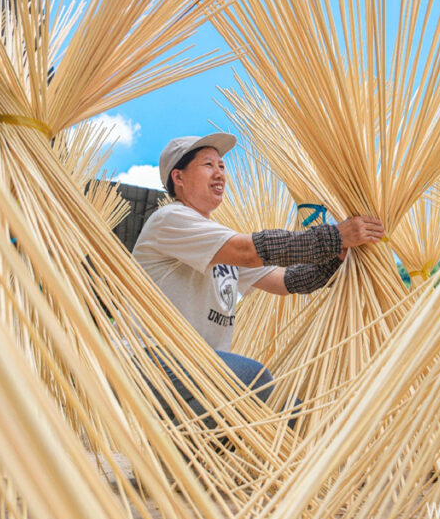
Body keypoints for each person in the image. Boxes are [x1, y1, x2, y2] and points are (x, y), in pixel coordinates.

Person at [132, 133, 384, 425]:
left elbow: (284, 282)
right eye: (208, 165)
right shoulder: (171, 219)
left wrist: (334, 260)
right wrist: (333, 236)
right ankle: (169, 442)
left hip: (201, 371)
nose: (220, 173)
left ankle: (182, 449)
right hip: (156, 363)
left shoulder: (216, 237)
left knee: (292, 411)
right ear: (179, 177)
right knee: (254, 379)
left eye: (222, 166)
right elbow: (248, 251)